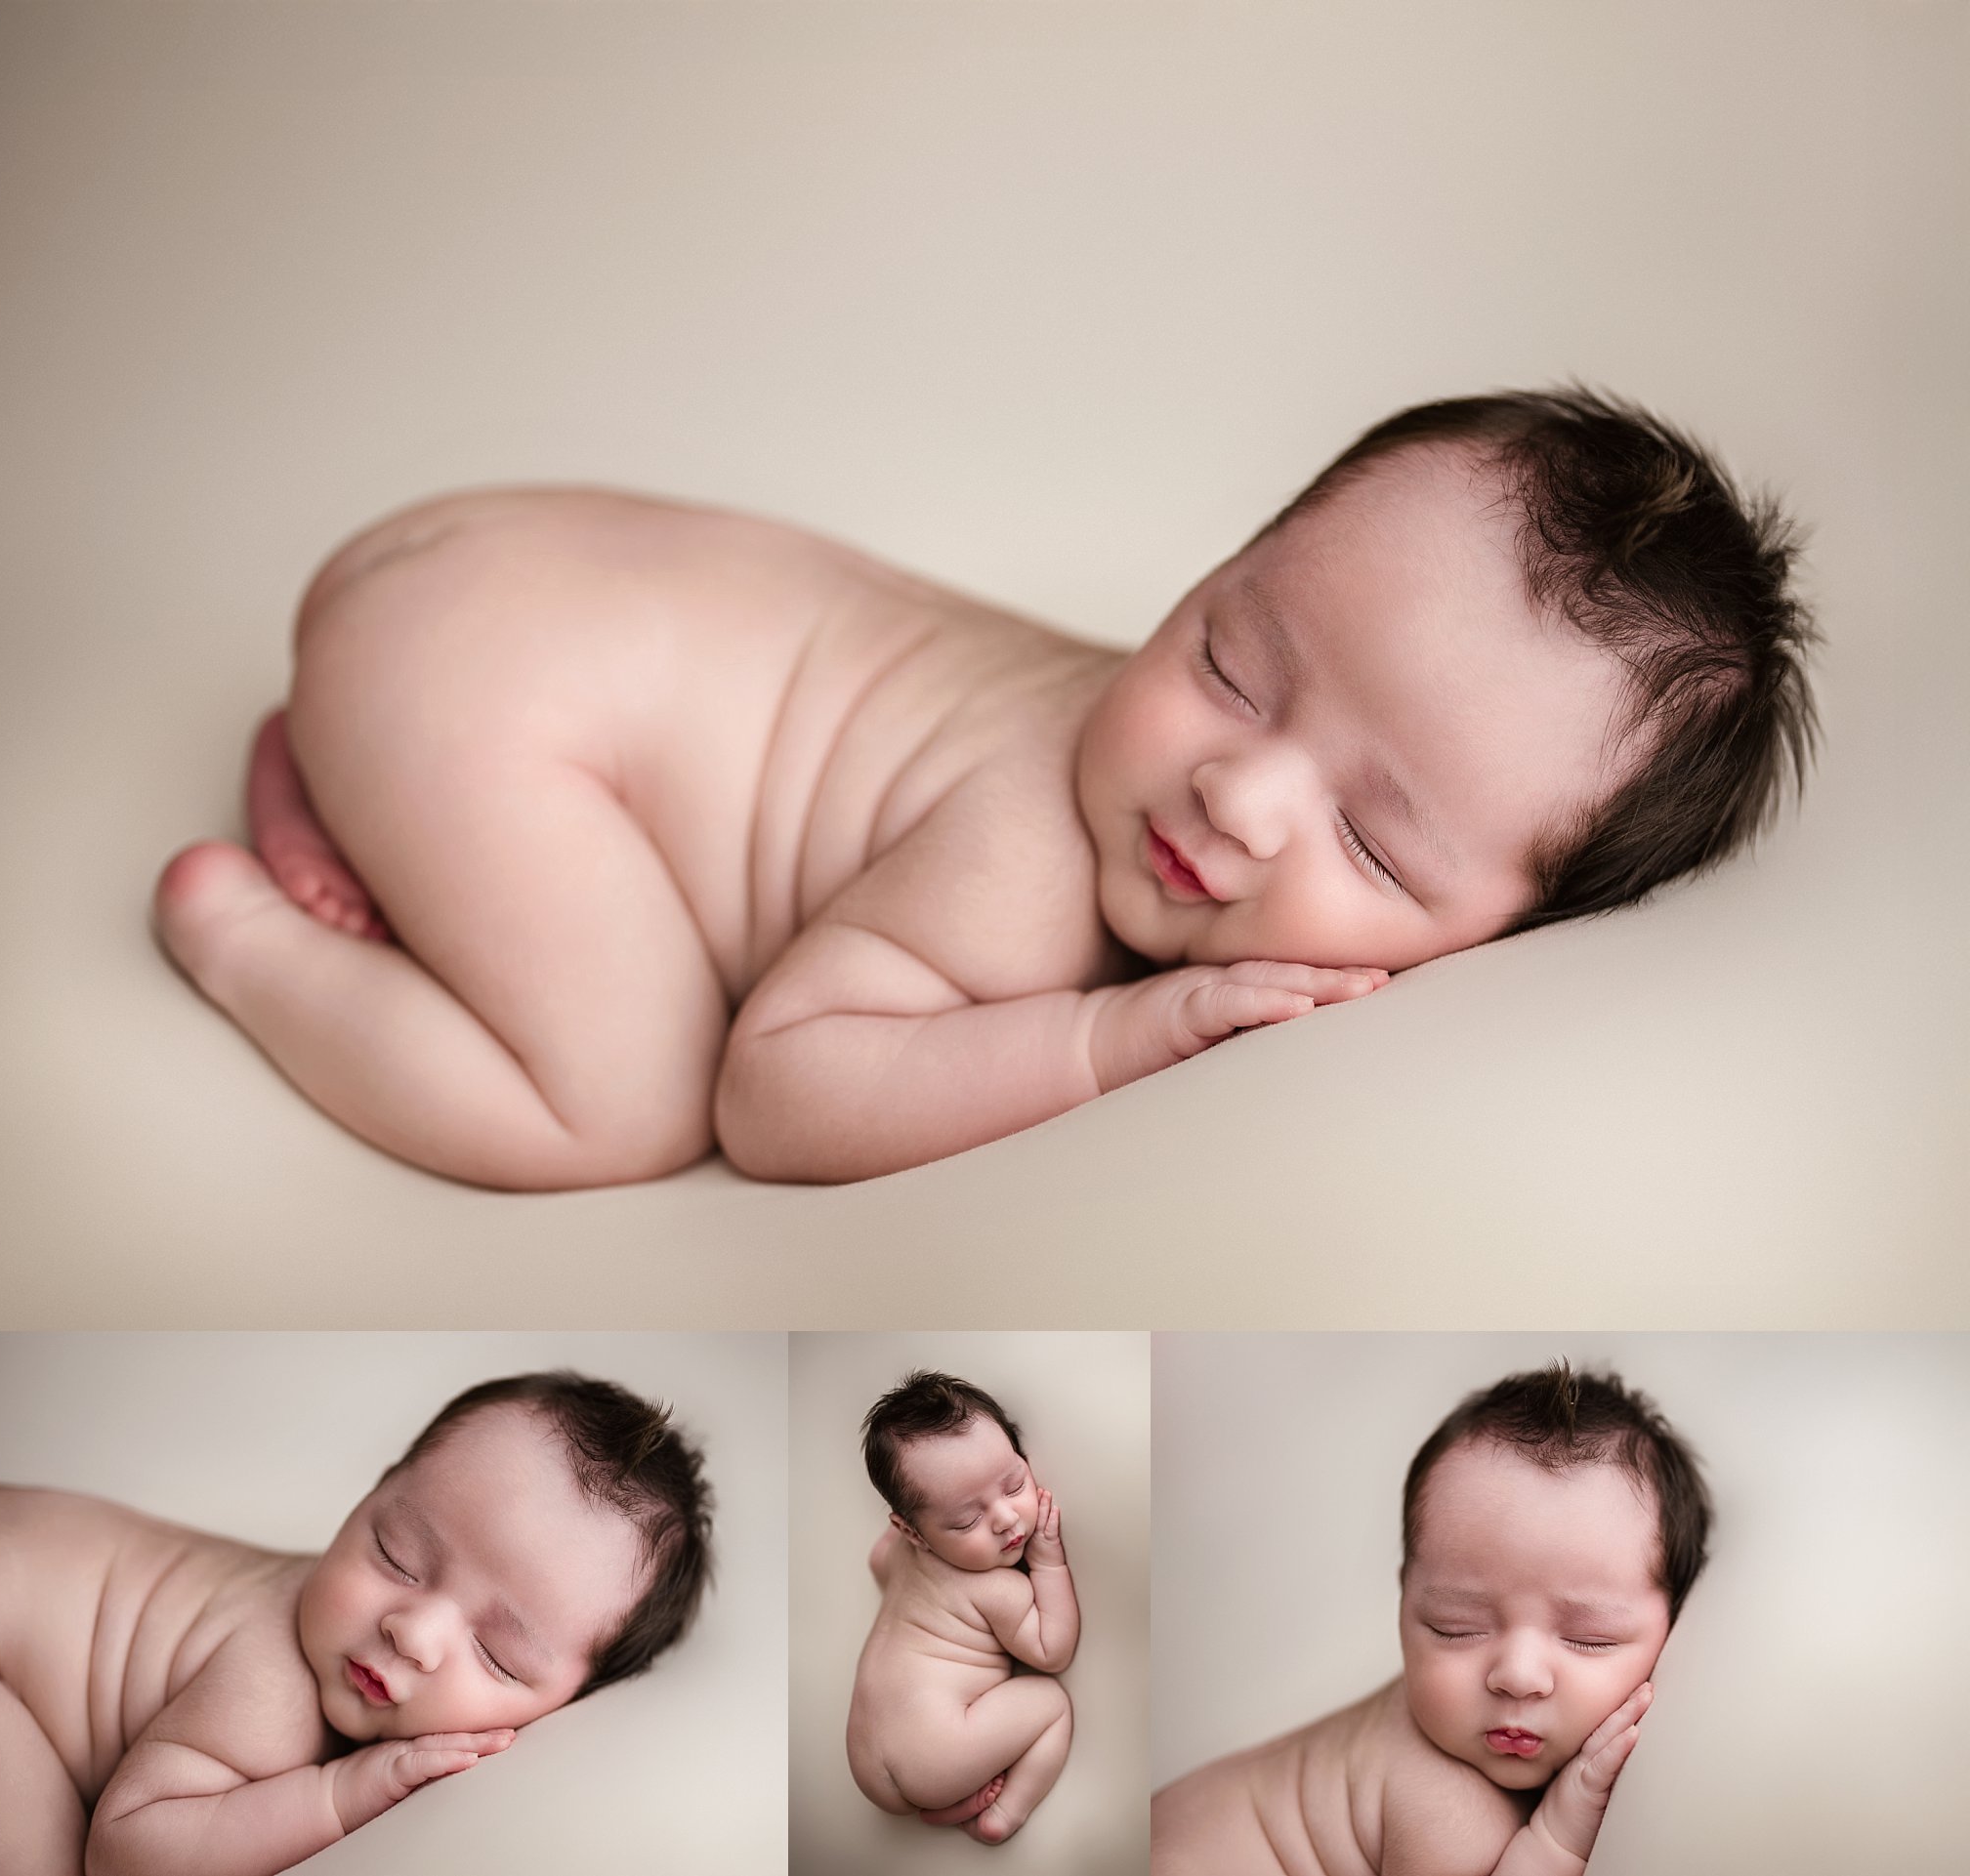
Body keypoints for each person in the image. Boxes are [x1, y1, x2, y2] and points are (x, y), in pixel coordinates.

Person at [154, 388, 1816, 1187]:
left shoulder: (1183, 766)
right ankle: (245, 927)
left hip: (478, 564)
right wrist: (1109, 1035)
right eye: (1229, 659)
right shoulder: (1028, 851)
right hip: (480, 673)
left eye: (1372, 840)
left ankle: (339, 765)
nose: (1234, 790)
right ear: (1226, 563)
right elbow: (775, 1091)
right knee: (624, 1104)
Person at [0, 1371, 711, 1876]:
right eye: (397, 1554)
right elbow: (126, 1847)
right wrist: (338, 1795)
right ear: (372, 1493)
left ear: (574, 1699)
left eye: (498, 1654)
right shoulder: (272, 1683)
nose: (413, 1633)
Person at [1152, 1360, 1712, 1875]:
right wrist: (1553, 1842)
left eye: (1587, 1638)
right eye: (1455, 1627)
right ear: (1404, 1605)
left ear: (1675, 1619)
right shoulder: (1450, 1813)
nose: (1517, 1676)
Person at [845, 1371, 1079, 1844]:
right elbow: (1053, 1652)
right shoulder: (995, 1589)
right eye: (967, 1519)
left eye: (1014, 1486)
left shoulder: (892, 1553)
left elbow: (877, 1561)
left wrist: (926, 1526)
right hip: (938, 1753)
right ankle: (1003, 1815)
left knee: (923, 1777)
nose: (1006, 1518)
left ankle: (946, 1804)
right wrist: (1049, 1563)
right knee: (1052, 1703)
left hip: (864, 1765)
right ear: (913, 1531)